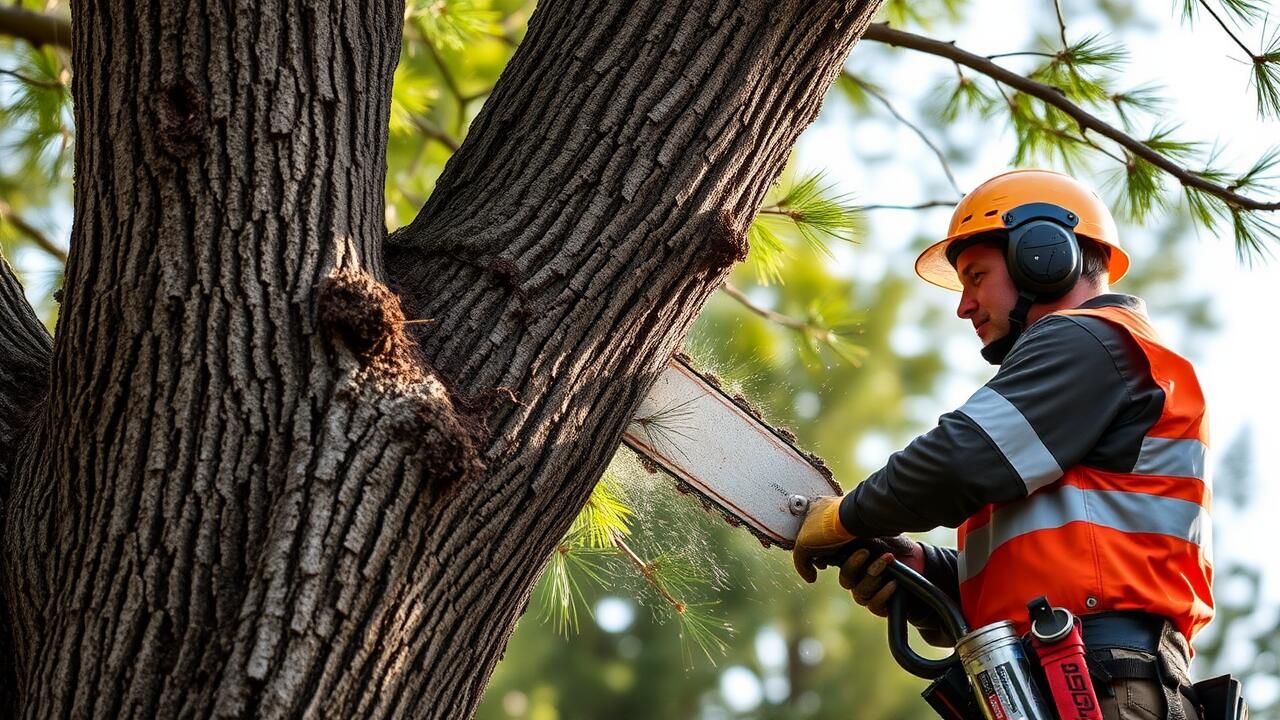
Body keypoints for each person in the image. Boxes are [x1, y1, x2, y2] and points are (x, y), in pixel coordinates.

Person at [792, 169, 1212, 719]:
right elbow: (1036, 568)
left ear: (1041, 257)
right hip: (1058, 677)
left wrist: (847, 516)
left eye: (976, 276)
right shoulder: (1074, 380)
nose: (964, 305)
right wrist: (919, 568)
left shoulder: (1091, 342)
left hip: (1103, 680)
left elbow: (959, 459)